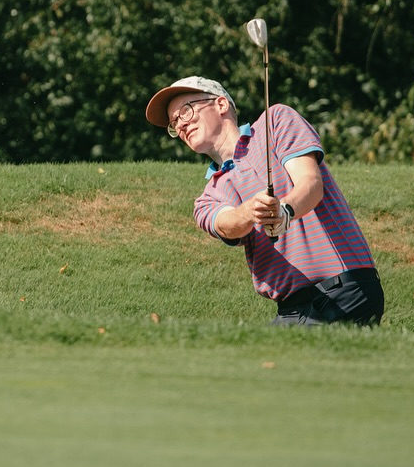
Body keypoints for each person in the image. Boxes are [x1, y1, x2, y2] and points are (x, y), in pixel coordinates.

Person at [145, 76, 384, 326]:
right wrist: (249, 212)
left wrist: (285, 211)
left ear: (221, 104)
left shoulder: (276, 121)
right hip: (291, 310)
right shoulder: (208, 197)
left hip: (344, 290)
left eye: (186, 110)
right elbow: (227, 224)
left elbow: (311, 183)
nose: (181, 124)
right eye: (174, 122)